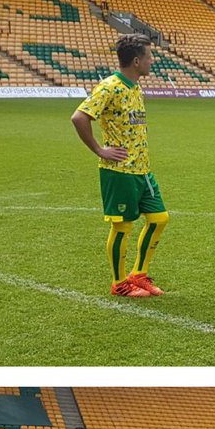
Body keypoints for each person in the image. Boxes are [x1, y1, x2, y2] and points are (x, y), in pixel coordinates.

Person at [71, 34, 168, 297]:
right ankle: (119, 283)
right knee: (122, 226)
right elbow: (79, 117)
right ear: (137, 61)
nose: (152, 60)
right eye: (149, 56)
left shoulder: (135, 87)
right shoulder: (109, 87)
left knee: (159, 219)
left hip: (142, 169)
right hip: (119, 171)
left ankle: (138, 274)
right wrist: (99, 149)